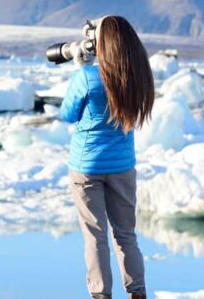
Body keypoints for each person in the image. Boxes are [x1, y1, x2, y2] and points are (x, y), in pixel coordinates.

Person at [59, 15, 155, 299]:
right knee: (126, 235)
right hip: (123, 167)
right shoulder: (139, 77)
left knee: (95, 236)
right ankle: (137, 292)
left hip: (86, 168)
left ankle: (101, 295)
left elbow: (67, 114)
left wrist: (81, 68)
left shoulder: (88, 77)